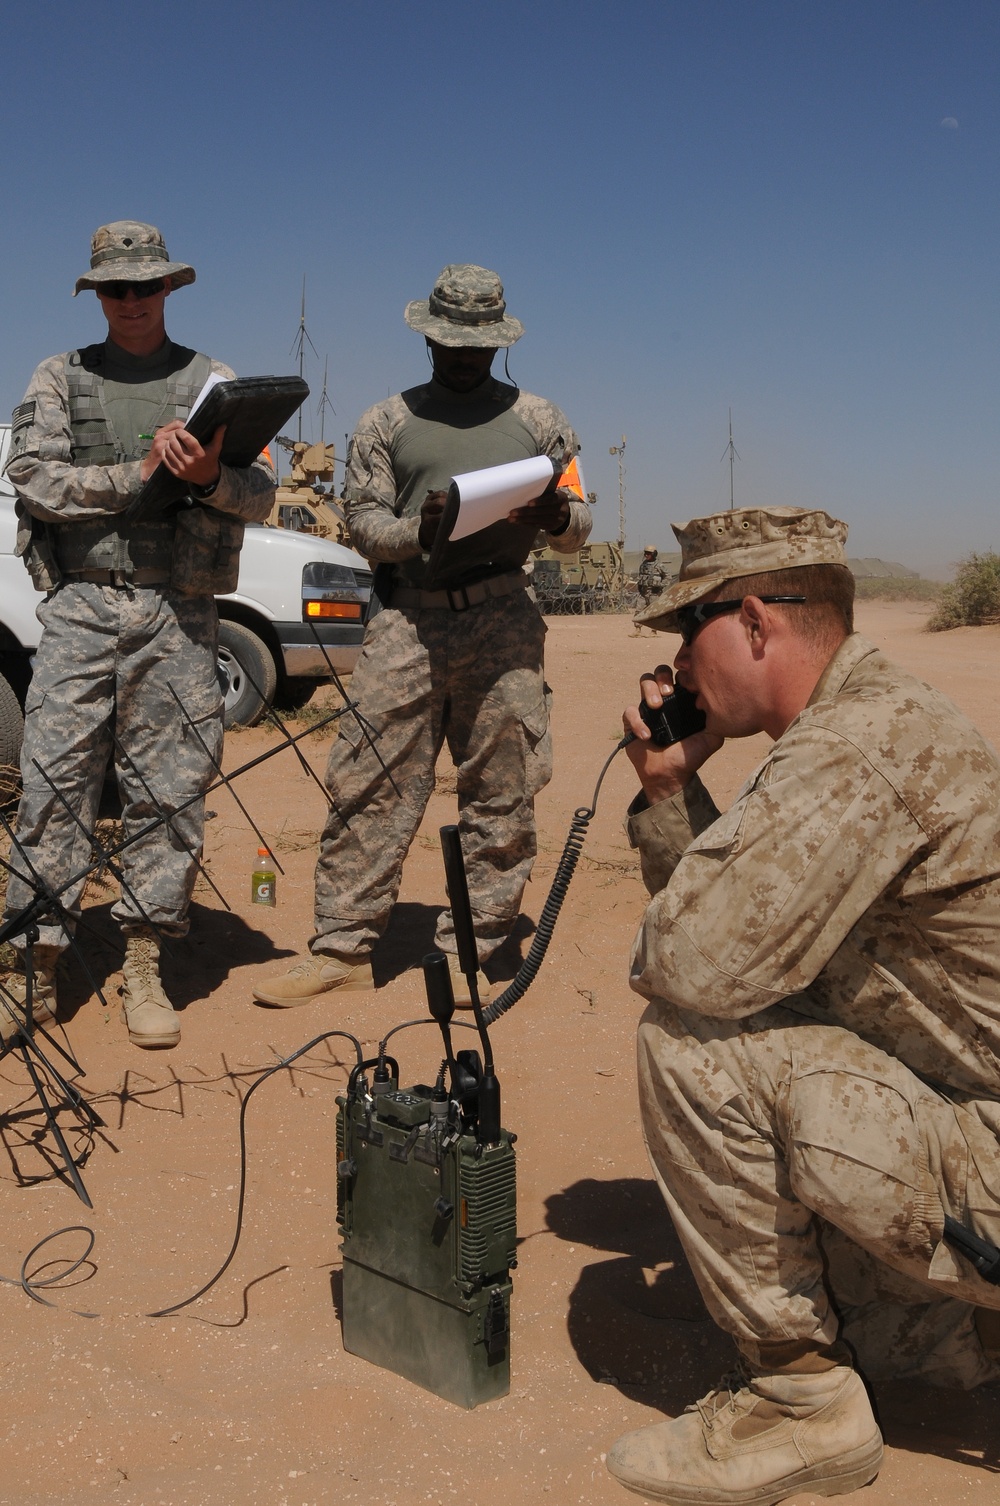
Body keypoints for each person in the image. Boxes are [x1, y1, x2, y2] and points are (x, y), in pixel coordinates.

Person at [608, 505, 1000, 1506]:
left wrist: (669, 812)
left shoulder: (854, 748)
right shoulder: (865, 719)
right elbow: (760, 940)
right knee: (762, 1023)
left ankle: (797, 1409)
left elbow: (693, 965)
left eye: (682, 634)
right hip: (969, 1115)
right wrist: (670, 790)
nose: (677, 671)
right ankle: (941, 1337)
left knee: (690, 1048)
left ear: (752, 622)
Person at [254, 263, 590, 1008]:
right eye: (450, 342)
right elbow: (366, 523)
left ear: (499, 342)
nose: (464, 355)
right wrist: (421, 529)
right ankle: (341, 947)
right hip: (407, 620)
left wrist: (556, 519)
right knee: (370, 778)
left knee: (501, 786)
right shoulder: (386, 421)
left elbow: (577, 517)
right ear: (428, 337)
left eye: (479, 344)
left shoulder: (541, 419)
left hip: (503, 618)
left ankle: (474, 949)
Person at [1, 221, 275, 1050]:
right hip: (83, 607)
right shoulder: (60, 376)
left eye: (143, 287)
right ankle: (32, 966)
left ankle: (144, 959)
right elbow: (34, 479)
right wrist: (143, 476)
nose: (130, 303)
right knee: (53, 784)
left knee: (171, 790)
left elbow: (260, 494)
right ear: (98, 296)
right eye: (114, 290)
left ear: (168, 290)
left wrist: (209, 478)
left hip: (179, 612)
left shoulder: (210, 382)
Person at [630, 543, 668, 637]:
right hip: (643, 592)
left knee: (653, 612)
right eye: (645, 553)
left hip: (654, 593)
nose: (646, 555)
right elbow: (640, 577)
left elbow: (667, 577)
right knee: (639, 610)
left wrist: (660, 585)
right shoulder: (643, 565)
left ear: (654, 554)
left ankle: (654, 631)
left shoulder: (659, 566)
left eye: (649, 553)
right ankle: (637, 629)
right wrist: (640, 587)